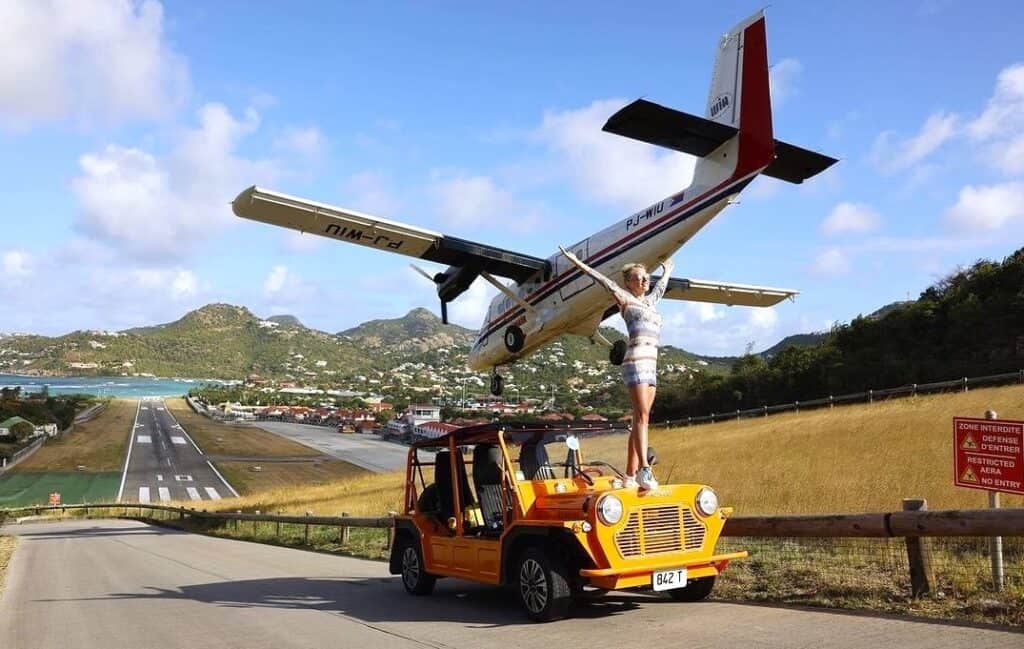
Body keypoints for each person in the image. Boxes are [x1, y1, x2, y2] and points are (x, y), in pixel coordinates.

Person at [560, 247, 673, 491]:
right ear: (628, 282)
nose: (644, 280)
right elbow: (603, 281)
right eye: (638, 278)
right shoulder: (625, 299)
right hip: (636, 362)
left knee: (640, 419)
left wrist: (667, 272)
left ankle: (631, 475)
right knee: (642, 417)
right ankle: (645, 470)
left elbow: (660, 289)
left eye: (645, 277)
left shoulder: (650, 303)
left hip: (652, 363)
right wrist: (577, 262)